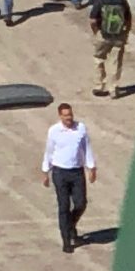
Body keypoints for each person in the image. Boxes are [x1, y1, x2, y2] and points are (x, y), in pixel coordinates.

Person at [42, 103, 95, 253]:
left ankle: (70, 226)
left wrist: (91, 167)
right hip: (60, 173)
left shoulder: (81, 128)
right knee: (63, 207)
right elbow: (49, 151)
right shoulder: (54, 131)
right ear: (60, 116)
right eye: (65, 115)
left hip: (77, 171)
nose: (69, 118)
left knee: (81, 203)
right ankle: (67, 240)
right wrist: (45, 171)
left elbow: (87, 148)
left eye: (70, 115)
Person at [89, 0, 132, 94]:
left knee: (98, 58)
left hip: (103, 34)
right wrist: (126, 33)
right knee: (115, 61)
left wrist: (96, 31)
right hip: (119, 35)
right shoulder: (123, 2)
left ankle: (99, 86)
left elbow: (92, 20)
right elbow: (128, 20)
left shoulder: (100, 1)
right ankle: (113, 89)